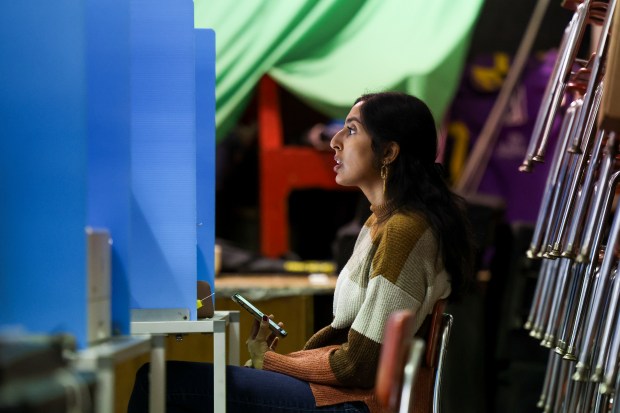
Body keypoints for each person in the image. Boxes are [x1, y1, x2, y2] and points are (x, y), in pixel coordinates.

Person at [127, 91, 475, 413]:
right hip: (350, 396)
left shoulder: (403, 230)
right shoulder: (380, 224)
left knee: (158, 382)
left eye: (351, 131)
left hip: (355, 404)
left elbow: (360, 364)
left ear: (388, 152)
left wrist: (272, 362)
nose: (335, 142)